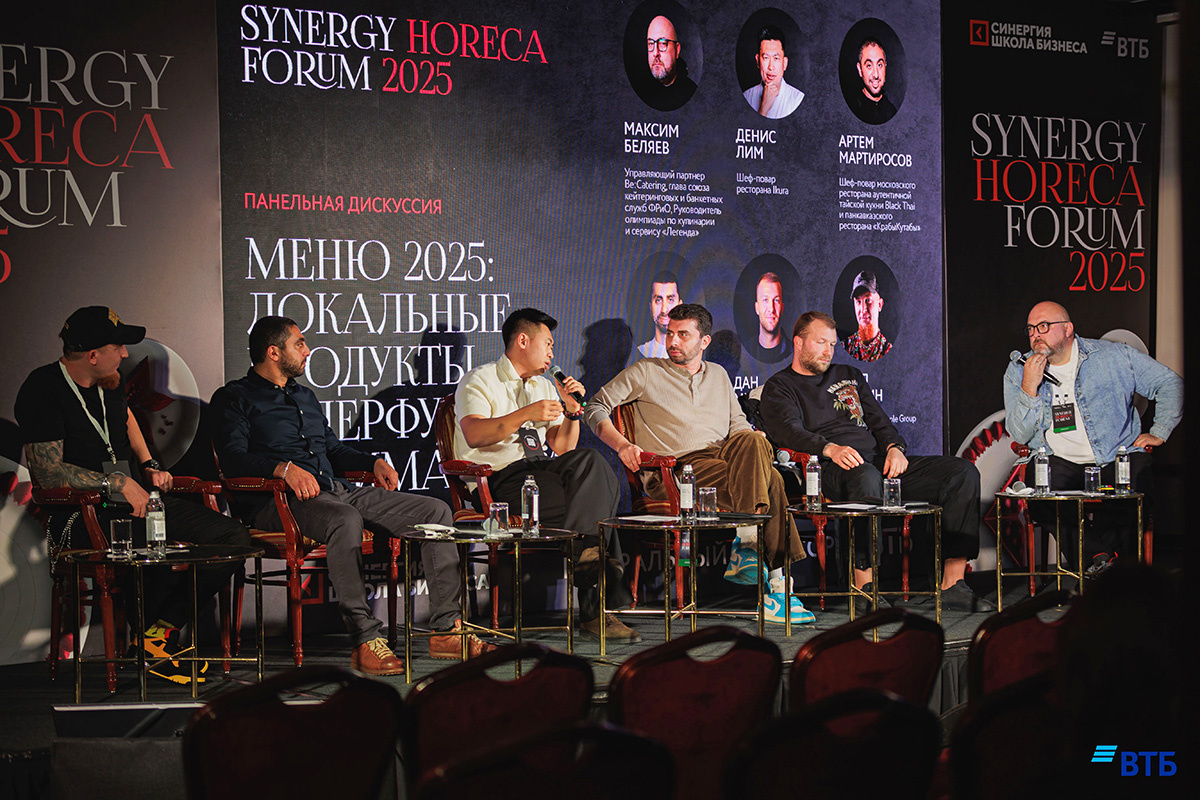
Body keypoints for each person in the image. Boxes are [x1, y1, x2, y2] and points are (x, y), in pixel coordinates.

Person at [211, 316, 491, 676]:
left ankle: (446, 631)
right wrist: (283, 469)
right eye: (299, 343)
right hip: (278, 502)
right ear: (273, 352)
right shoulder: (233, 397)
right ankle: (364, 639)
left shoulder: (304, 396)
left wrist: (371, 462)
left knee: (435, 512)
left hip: (335, 491)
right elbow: (232, 459)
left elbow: (333, 450)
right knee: (345, 519)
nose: (307, 350)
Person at [15, 306, 254, 684]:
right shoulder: (42, 389)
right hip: (79, 513)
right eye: (118, 347)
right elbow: (48, 474)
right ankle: (152, 651)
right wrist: (117, 483)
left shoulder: (109, 380)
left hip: (130, 500)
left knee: (232, 537)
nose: (126, 354)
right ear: (93, 355)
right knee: (153, 545)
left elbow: (125, 418)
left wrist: (148, 465)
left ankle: (157, 636)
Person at [585, 304, 812, 625]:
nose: (673, 341)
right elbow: (595, 406)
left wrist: (755, 443)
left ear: (704, 341)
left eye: (683, 335)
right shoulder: (646, 371)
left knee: (755, 442)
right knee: (772, 479)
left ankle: (753, 554)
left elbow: (738, 425)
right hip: (678, 472)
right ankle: (777, 587)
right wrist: (622, 445)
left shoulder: (718, 375)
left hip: (723, 465)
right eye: (670, 333)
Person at [759, 311, 991, 611]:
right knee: (865, 476)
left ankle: (952, 584)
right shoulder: (780, 386)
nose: (828, 351)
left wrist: (894, 447)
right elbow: (788, 432)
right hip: (830, 468)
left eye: (832, 344)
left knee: (961, 472)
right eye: (821, 342)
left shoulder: (849, 374)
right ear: (799, 342)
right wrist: (829, 448)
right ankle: (864, 587)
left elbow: (879, 421)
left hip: (877, 461)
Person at [454, 308, 638, 642]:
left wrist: (572, 412)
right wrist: (526, 413)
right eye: (548, 343)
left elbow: (564, 447)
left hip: (540, 472)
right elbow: (475, 434)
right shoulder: (480, 379)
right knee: (598, 502)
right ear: (523, 341)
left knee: (592, 463)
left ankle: (587, 557)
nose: (552, 352)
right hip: (500, 481)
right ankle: (596, 612)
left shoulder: (543, 385)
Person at [1002, 301, 1182, 570]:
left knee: (1137, 483)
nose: (1035, 334)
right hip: (1057, 458)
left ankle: (1100, 566)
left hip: (1114, 455)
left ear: (1068, 329)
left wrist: (1159, 431)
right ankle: (1101, 559)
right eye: (1031, 329)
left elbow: (1169, 383)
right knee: (1039, 493)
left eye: (1044, 326)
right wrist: (1029, 387)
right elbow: (1018, 433)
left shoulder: (1113, 356)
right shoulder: (1019, 369)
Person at [742, 25, 804, 119]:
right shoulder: (747, 97)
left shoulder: (797, 99)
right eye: (766, 58)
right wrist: (764, 108)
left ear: (784, 63)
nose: (771, 67)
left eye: (776, 58)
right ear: (758, 61)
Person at [644, 14, 696, 111]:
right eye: (651, 44)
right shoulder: (642, 92)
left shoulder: (692, 94)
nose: (655, 53)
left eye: (663, 43)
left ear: (677, 50)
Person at [844, 270, 891, 362]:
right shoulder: (845, 348)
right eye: (858, 301)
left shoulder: (888, 351)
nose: (863, 309)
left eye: (868, 300)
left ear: (880, 305)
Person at [851, 37, 897, 124]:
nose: (876, 75)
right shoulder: (852, 109)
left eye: (879, 65)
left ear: (885, 66)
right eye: (869, 66)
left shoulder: (893, 110)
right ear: (860, 69)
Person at [638, 271, 681, 358]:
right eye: (658, 300)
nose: (664, 310)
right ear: (651, 306)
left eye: (670, 300)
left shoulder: (691, 352)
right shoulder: (641, 351)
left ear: (680, 305)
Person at [751, 272, 791, 362]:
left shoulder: (795, 352)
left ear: (782, 308)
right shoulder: (744, 353)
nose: (771, 308)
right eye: (765, 300)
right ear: (757, 308)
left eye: (776, 300)